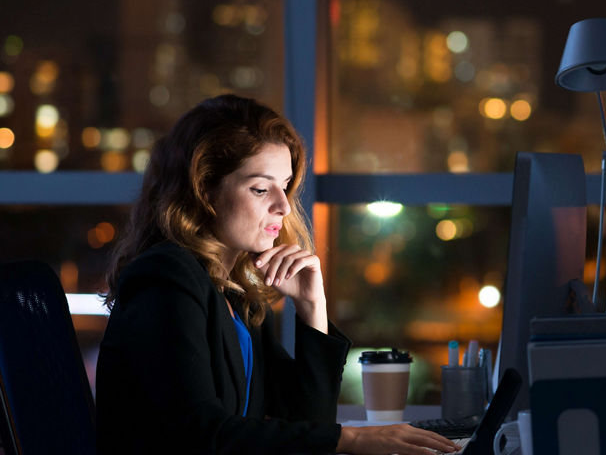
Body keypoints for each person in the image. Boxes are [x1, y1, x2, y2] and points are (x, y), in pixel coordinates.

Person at [96, 94, 459, 455]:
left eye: (284, 186)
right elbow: (200, 434)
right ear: (204, 189)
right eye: (260, 188)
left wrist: (312, 307)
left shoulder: (235, 293)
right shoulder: (165, 278)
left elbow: (308, 424)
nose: (283, 206)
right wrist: (353, 439)